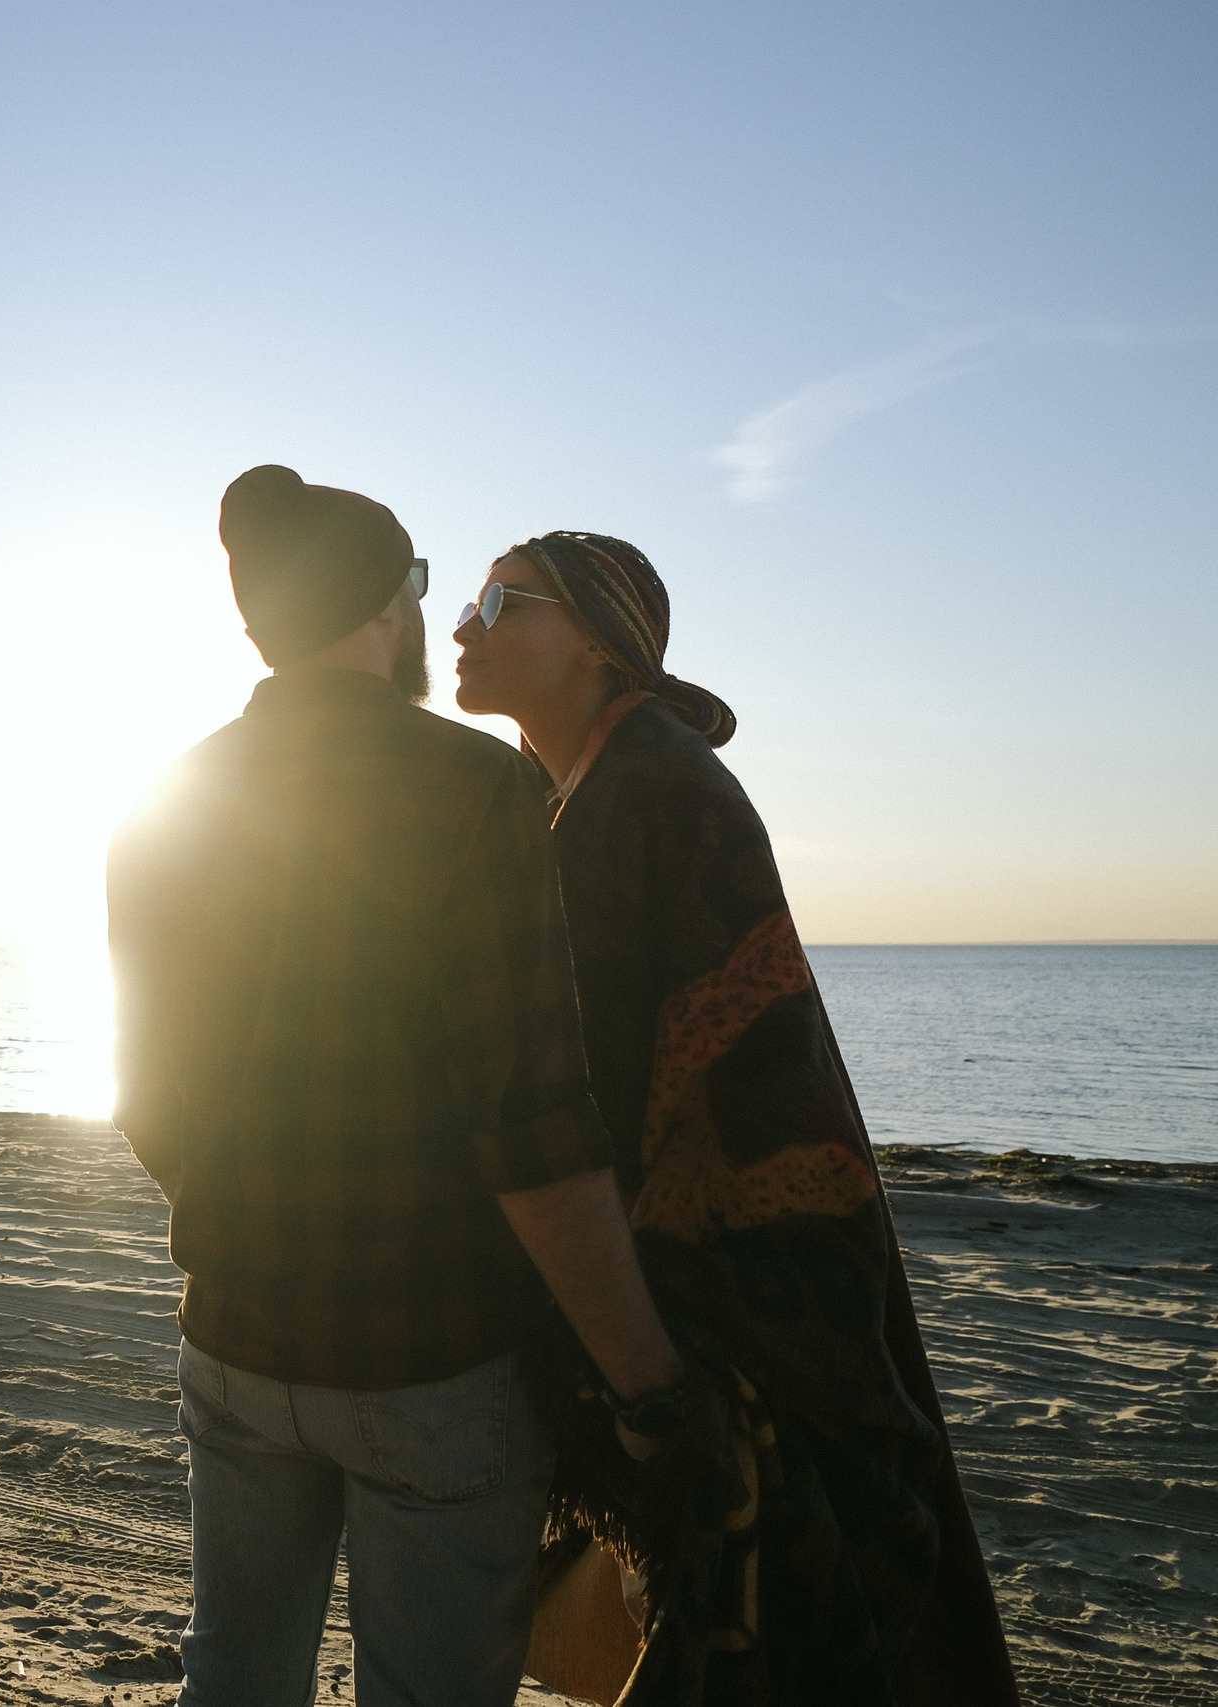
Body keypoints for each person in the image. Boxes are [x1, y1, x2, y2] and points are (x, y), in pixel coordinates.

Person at [108, 467, 692, 1707]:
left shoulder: (164, 802)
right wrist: (645, 1381)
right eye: (425, 585)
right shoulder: (477, 790)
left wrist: (246, 1209)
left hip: (236, 1335)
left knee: (236, 1672)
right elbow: (531, 1123)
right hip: (431, 1363)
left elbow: (147, 1095)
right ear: (387, 604)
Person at [452, 531, 1019, 1706]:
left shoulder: (644, 793)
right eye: (471, 599)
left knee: (757, 1623)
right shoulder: (601, 790)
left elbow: (581, 1100)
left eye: (505, 601)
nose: (466, 625)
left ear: (601, 649)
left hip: (735, 1293)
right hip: (725, 1271)